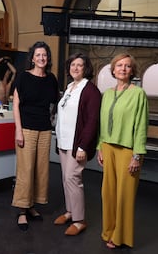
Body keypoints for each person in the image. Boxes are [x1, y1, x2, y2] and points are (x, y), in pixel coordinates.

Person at [97, 53, 149, 248]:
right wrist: (100, 147)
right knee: (107, 193)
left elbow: (142, 126)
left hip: (128, 151)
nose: (123, 69)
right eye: (119, 65)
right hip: (108, 148)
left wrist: (137, 155)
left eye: (127, 66)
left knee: (124, 196)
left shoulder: (138, 94)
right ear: (113, 69)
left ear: (132, 71)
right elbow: (102, 123)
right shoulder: (107, 94)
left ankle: (120, 237)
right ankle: (108, 231)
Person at [11, 41, 59, 231]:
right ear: (32, 58)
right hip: (27, 129)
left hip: (45, 129)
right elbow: (16, 105)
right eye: (38, 55)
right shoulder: (23, 77)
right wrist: (18, 130)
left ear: (48, 58)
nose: (41, 58)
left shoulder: (52, 79)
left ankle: (32, 206)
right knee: (26, 170)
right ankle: (22, 211)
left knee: (41, 170)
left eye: (44, 55)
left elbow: (54, 104)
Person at [53, 53, 101, 236]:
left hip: (77, 144)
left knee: (74, 179)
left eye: (79, 65)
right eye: (72, 64)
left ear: (86, 68)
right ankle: (70, 212)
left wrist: (83, 146)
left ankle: (80, 220)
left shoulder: (90, 90)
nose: (75, 68)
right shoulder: (69, 88)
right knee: (66, 179)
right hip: (64, 142)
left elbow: (92, 121)